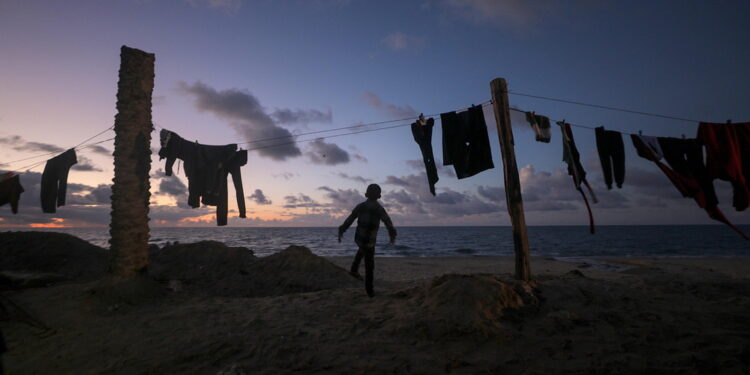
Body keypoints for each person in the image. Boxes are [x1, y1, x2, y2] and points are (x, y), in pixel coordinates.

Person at [338, 184, 397, 297]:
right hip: (370, 241)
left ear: (366, 195)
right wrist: (392, 234)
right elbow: (388, 222)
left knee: (362, 249)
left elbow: (350, 219)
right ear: (379, 196)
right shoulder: (379, 209)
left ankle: (354, 269)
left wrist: (342, 229)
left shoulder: (360, 206)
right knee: (369, 266)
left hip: (359, 238)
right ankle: (369, 291)